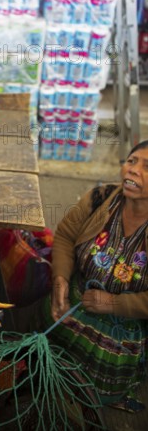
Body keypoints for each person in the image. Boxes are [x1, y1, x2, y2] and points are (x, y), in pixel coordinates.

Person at [44, 140, 148, 413]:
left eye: (146, 167)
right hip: (77, 301)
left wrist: (113, 303)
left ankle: (109, 396)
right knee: (46, 353)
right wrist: (61, 280)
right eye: (132, 160)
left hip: (121, 327)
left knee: (101, 379)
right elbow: (66, 236)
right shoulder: (100, 198)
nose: (133, 170)